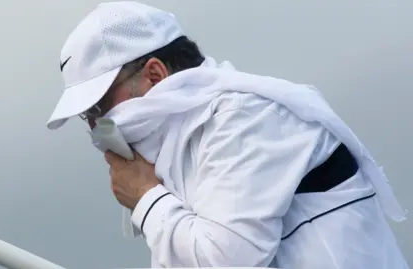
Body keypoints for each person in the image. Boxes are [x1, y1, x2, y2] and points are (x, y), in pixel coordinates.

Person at [45, 1, 409, 268]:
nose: (97, 127)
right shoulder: (187, 144)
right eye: (86, 116)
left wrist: (145, 197)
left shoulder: (245, 117)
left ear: (154, 75)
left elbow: (230, 261)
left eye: (99, 107)